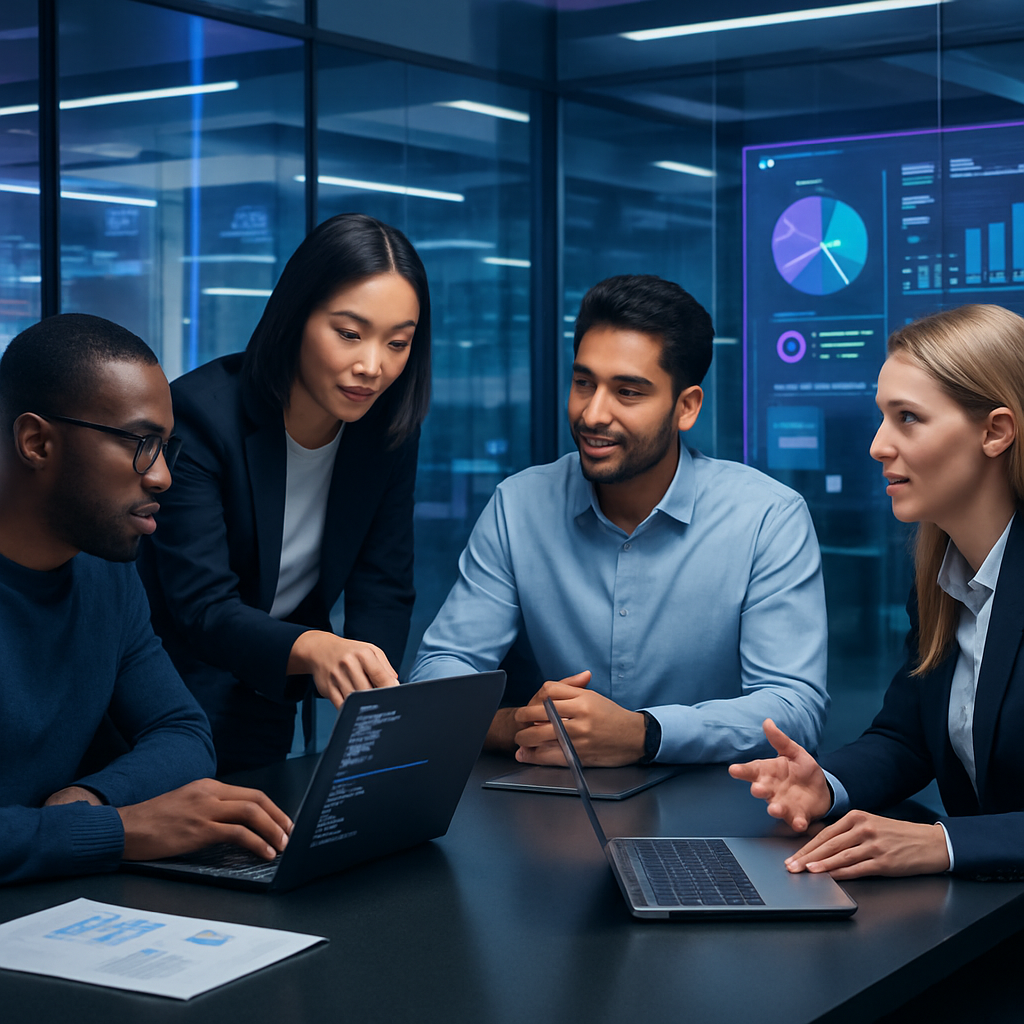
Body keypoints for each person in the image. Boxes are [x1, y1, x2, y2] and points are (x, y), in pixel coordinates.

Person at [410, 275, 828, 767]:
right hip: (550, 796)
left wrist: (643, 734)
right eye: (583, 383)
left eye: (627, 392)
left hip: (712, 798)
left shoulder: (767, 518)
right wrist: (516, 725)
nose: (593, 414)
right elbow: (439, 672)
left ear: (686, 407)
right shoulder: (519, 505)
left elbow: (793, 707)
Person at [730, 303, 1024, 879]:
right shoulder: (944, 581)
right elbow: (907, 737)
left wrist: (944, 844)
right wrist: (825, 784)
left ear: (995, 432)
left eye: (908, 417)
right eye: (883, 416)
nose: (877, 445)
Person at [0, 313, 292, 884]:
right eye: (141, 444)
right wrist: (118, 829)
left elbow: (183, 733)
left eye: (164, 448)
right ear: (37, 442)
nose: (161, 477)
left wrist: (89, 802)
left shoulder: (105, 574)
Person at [139, 213, 432, 773]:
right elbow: (202, 607)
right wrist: (316, 646)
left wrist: (374, 718)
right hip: (163, 696)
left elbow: (384, 588)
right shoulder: (200, 415)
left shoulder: (386, 432)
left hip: (266, 694)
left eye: (398, 343)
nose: (372, 366)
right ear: (297, 316)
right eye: (349, 334)